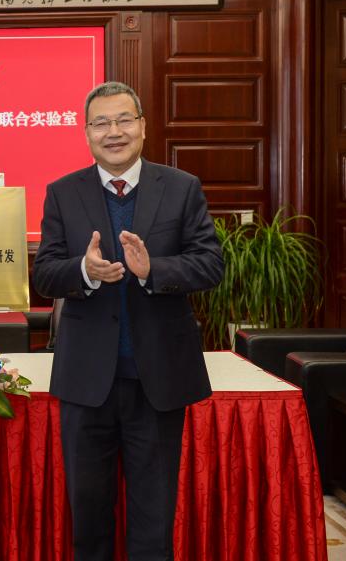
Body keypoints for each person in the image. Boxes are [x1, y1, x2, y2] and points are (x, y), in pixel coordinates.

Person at [33, 81, 223, 561]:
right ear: (87, 133)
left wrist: (153, 269)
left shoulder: (180, 187)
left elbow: (210, 265)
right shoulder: (63, 193)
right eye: (101, 123)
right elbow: (45, 273)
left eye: (123, 120)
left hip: (157, 379)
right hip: (86, 382)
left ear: (142, 126)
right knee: (89, 518)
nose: (113, 132)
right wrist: (84, 271)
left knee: (153, 520)